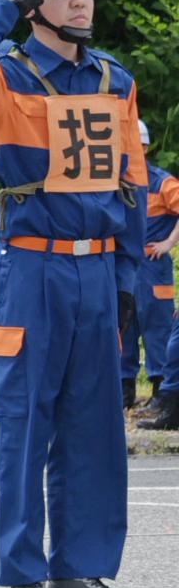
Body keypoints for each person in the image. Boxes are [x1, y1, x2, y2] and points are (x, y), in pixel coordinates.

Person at [0, 0, 142, 588]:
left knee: (94, 424)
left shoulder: (115, 79)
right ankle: (22, 568)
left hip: (94, 269)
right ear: (33, 2)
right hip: (27, 270)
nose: (82, 0)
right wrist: (5, 9)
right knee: (25, 420)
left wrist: (127, 281)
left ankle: (79, 567)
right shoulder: (5, 75)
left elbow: (131, 187)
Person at [121, 118, 179, 410]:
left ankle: (161, 392)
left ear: (143, 147)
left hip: (153, 266)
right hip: (125, 264)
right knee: (123, 326)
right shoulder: (117, 183)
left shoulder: (162, 182)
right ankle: (124, 391)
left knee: (158, 328)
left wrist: (169, 243)